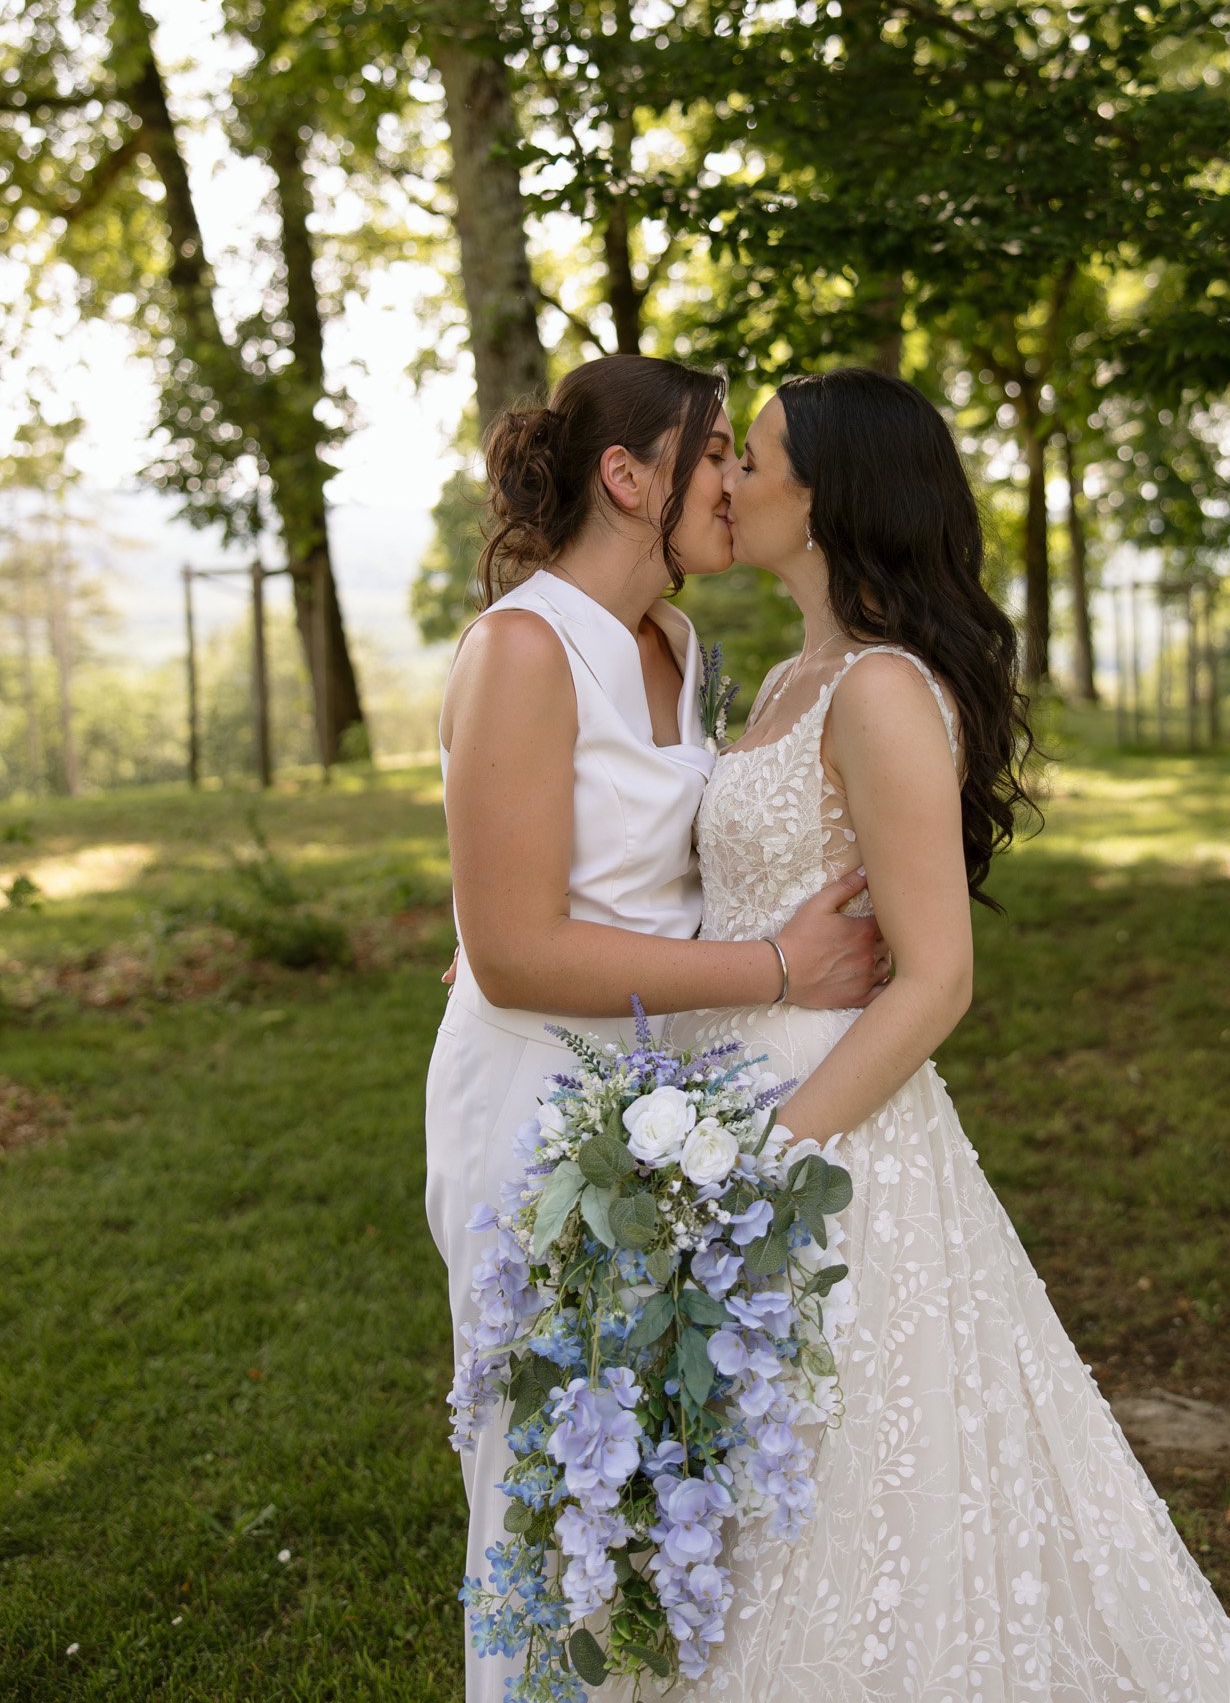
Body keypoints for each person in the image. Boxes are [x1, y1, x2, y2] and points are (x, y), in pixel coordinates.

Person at [667, 368, 1230, 1702]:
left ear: (828, 492)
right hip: (711, 1112)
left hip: (823, 1150)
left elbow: (935, 978)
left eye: (755, 456)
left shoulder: (882, 691)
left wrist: (771, 1164)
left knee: (849, 1494)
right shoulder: (786, 678)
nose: (728, 480)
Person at [423, 354, 888, 1703]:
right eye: (713, 455)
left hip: (672, 1093)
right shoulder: (520, 648)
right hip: (535, 1095)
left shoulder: (684, 649)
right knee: (546, 1464)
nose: (735, 482)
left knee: (663, 1458)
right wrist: (778, 967)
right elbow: (510, 953)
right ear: (628, 479)